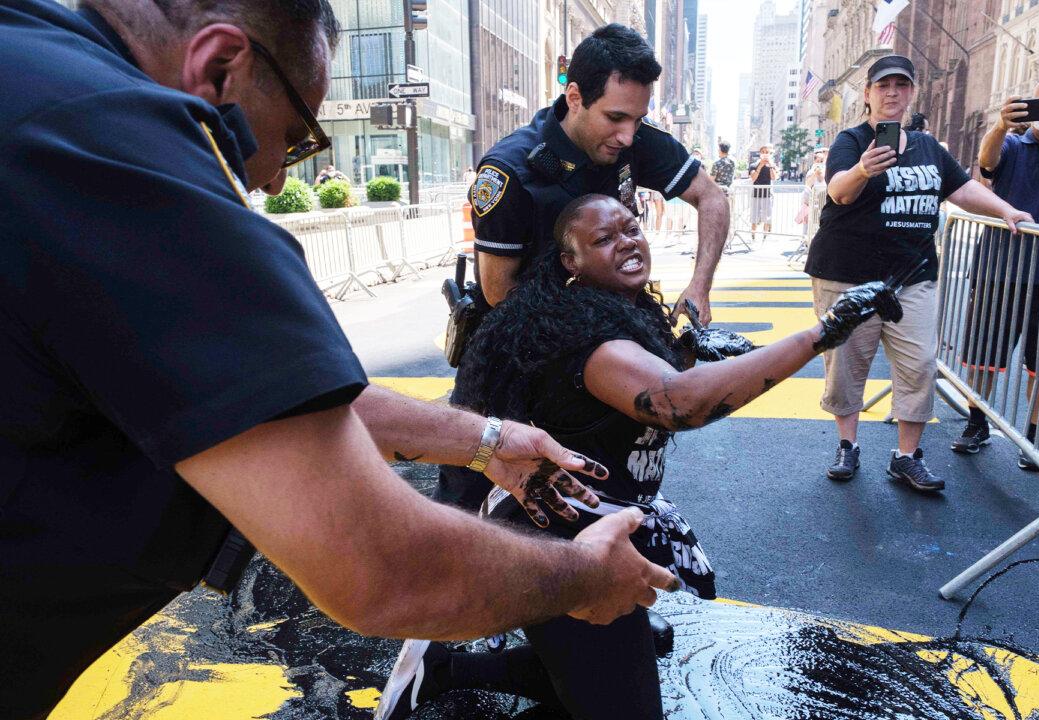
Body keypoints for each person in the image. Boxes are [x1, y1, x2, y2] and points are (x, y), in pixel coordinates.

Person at [0, 3, 679, 718]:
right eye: (293, 138)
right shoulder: (123, 158)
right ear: (220, 66)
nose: (272, 181)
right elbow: (380, 565)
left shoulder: (37, 65)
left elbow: (263, 392)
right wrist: (585, 575)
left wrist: (487, 440)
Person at [375, 194, 902, 720]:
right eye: (604, 239)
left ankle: (447, 671)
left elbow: (655, 378)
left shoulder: (626, 311)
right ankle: (461, 670)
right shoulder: (589, 337)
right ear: (571, 262)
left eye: (631, 228)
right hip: (563, 537)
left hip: (599, 518)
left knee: (626, 659)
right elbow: (679, 402)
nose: (627, 242)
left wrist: (689, 349)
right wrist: (823, 333)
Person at [440, 23, 729, 512]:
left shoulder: (633, 139)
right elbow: (499, 294)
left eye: (638, 118)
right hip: (510, 360)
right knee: (469, 507)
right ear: (574, 97)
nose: (628, 135)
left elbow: (712, 197)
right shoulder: (510, 170)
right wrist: (597, 341)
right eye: (615, 117)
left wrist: (699, 287)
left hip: (594, 355)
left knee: (601, 500)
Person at [803, 54, 1032, 492]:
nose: (892, 92)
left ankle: (907, 456)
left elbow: (962, 188)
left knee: (919, 364)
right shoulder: (852, 141)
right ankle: (848, 445)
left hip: (913, 274)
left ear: (911, 93)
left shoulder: (928, 146)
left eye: (901, 85)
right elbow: (838, 192)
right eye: (883, 85)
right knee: (846, 364)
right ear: (867, 94)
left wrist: (1006, 210)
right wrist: (863, 169)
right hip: (847, 274)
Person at [954, 73, 1039, 469]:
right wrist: (999, 125)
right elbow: (986, 163)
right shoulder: (1012, 142)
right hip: (999, 269)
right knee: (983, 354)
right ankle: (977, 422)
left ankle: (1034, 436)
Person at [749, 144, 776, 239]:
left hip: (767, 195)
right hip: (756, 194)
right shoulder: (753, 165)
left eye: (767, 152)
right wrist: (760, 165)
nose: (765, 154)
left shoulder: (772, 165)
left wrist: (770, 166)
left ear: (770, 154)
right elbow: (753, 178)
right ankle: (753, 235)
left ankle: (765, 235)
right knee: (754, 216)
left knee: (767, 216)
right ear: (760, 153)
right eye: (763, 152)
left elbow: (773, 177)